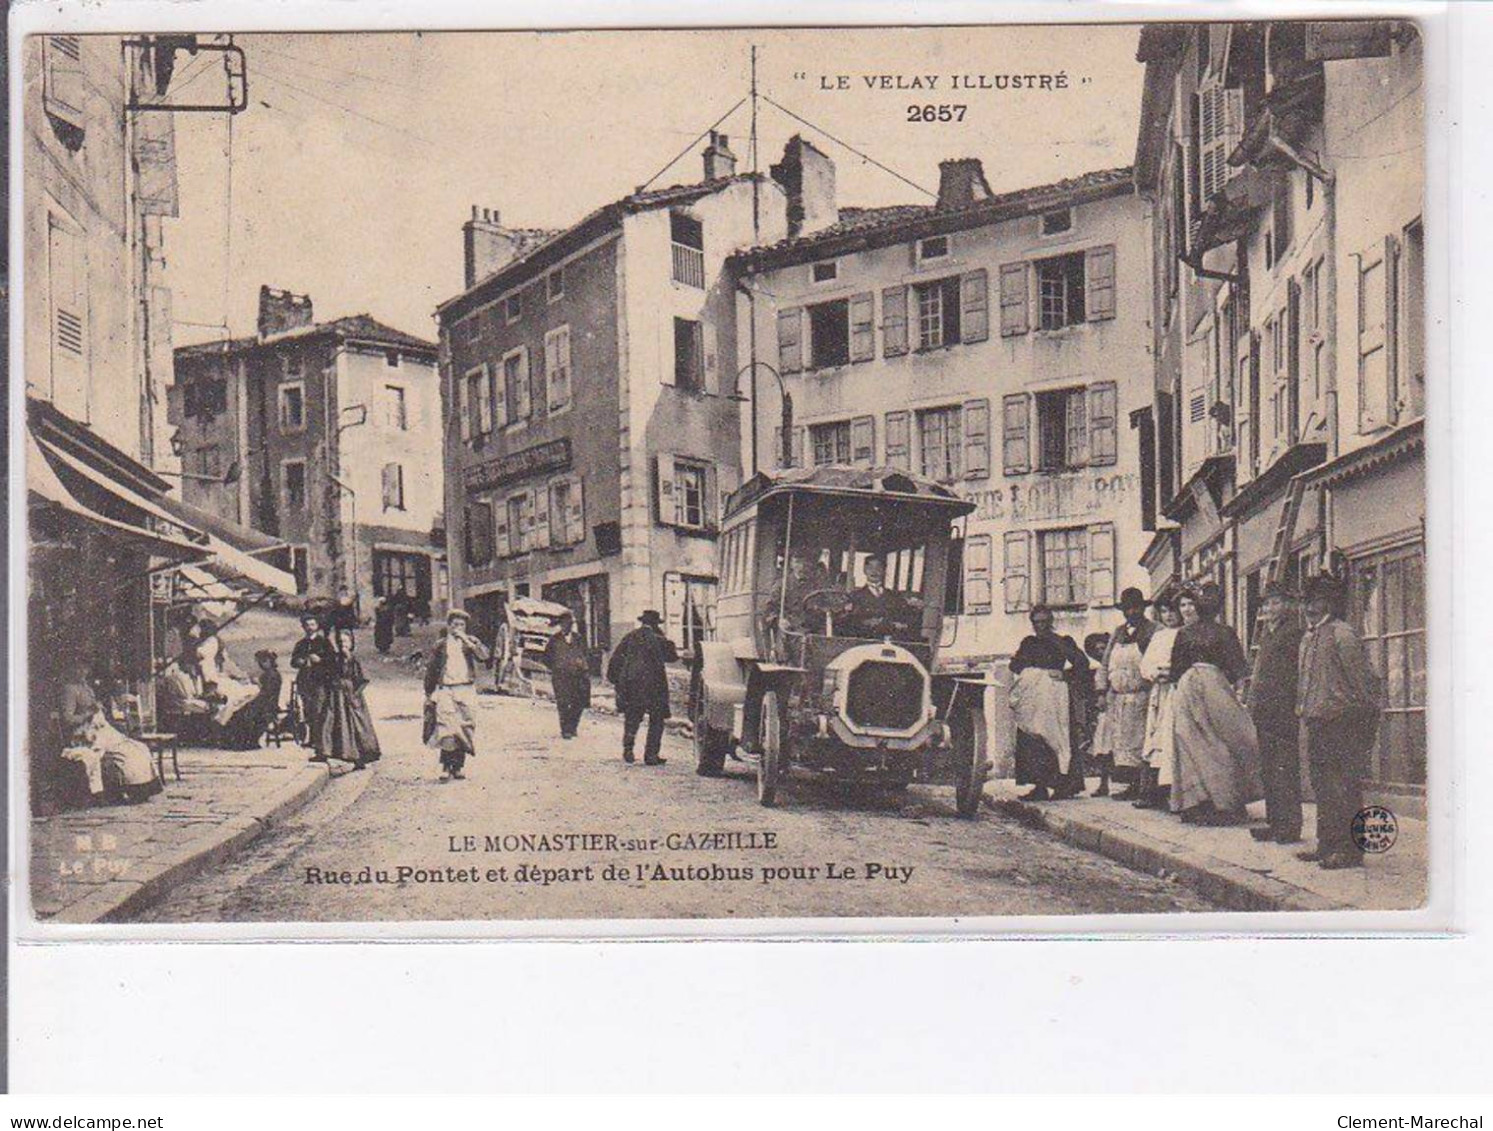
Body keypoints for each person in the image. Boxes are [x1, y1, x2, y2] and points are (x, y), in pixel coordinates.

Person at [1296, 575, 1383, 870]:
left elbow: (1363, 683)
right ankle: (1327, 844)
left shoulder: (1342, 635)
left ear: (1329, 603)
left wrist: (1357, 720)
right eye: (1306, 601)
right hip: (1317, 721)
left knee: (1345, 787)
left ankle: (1349, 851)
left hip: (1342, 722)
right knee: (1323, 788)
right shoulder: (1309, 637)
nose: (1309, 607)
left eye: (1316, 601)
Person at [1169, 583, 1263, 826]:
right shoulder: (1199, 633)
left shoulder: (1210, 633)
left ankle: (1214, 801)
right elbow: (1235, 668)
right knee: (1205, 741)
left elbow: (1177, 670)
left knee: (1209, 741)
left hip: (1202, 687)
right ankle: (1210, 801)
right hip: (1203, 687)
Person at [1008, 605, 1090, 801]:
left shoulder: (1062, 641)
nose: (1041, 626)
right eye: (1037, 622)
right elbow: (1015, 665)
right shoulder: (1028, 643)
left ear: (1051, 622)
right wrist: (1030, 672)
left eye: (1045, 622)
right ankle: (1039, 786)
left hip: (1055, 697)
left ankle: (1064, 785)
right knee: (1033, 739)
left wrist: (1064, 674)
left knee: (1058, 739)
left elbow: (1082, 663)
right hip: (1034, 696)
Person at [1246, 582, 1306, 844]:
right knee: (1269, 769)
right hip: (1265, 709)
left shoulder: (1294, 632)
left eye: (1276, 602)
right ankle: (1274, 822)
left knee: (1284, 768)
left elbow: (1296, 673)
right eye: (1268, 603)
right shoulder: (1268, 633)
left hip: (1283, 708)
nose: (1271, 608)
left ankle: (1289, 826)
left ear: (1288, 605)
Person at [57, 661, 162, 806]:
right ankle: (123, 789)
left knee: (138, 748)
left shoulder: (86, 687)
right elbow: (67, 719)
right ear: (71, 669)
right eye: (79, 668)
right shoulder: (69, 689)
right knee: (123, 753)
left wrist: (99, 710)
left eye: (85, 668)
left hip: (100, 728)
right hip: (84, 733)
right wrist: (88, 713)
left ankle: (140, 789)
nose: (83, 672)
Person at [1091, 588, 1156, 799]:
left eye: (1135, 607)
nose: (1131, 612)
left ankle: (1145, 787)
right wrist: (1102, 691)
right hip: (1118, 697)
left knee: (1142, 742)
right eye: (1127, 608)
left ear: (1142, 608)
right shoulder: (1118, 632)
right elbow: (1106, 662)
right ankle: (1131, 785)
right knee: (1121, 743)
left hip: (1143, 695)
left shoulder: (1153, 630)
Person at [424, 608, 490, 780]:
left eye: (462, 625)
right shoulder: (440, 645)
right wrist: (429, 692)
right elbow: (431, 670)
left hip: (466, 689)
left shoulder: (471, 642)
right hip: (447, 689)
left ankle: (458, 766)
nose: (458, 628)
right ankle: (446, 767)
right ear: (449, 626)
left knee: (465, 727)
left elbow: (484, 657)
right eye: (455, 625)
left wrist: (469, 643)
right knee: (447, 728)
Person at [606, 610, 679, 765]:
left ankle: (628, 749)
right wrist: (664, 637)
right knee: (657, 719)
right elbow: (672, 656)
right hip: (654, 685)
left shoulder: (630, 637)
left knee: (632, 717)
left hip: (632, 685)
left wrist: (616, 680)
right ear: (655, 624)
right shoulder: (659, 639)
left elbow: (616, 658)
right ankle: (651, 755)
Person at [1136, 594, 1184, 809]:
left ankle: (1178, 791)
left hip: (1179, 690)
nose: (1169, 616)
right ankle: (1155, 792)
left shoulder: (1185, 634)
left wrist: (1173, 672)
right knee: (1157, 739)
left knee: (1174, 737)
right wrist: (1155, 673)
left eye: (1173, 611)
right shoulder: (1159, 637)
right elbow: (1145, 665)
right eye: (1164, 612)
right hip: (1161, 692)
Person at [318, 630, 382, 769]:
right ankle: (329, 752)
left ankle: (360, 756)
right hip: (335, 694)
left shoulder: (354, 660)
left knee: (356, 724)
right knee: (332, 720)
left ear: (351, 643)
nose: (342, 645)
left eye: (345, 642)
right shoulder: (335, 658)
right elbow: (327, 673)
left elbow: (362, 679)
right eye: (340, 642)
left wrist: (354, 694)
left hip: (350, 694)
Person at [846, 555, 920, 640]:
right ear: (864, 570)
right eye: (870, 567)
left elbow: (905, 618)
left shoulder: (894, 596)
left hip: (889, 642)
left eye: (878, 567)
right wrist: (866, 623)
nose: (874, 571)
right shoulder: (854, 596)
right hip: (862, 641)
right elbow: (849, 623)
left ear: (884, 570)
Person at [222, 650, 285, 750]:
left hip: (268, 705)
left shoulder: (271, 675)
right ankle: (246, 741)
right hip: (267, 703)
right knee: (242, 710)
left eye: (263, 661)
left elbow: (266, 693)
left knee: (243, 713)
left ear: (269, 661)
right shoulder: (271, 673)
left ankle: (246, 741)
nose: (261, 664)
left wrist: (256, 685)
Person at [290, 615, 336, 750]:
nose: (310, 628)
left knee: (319, 710)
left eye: (312, 624)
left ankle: (321, 740)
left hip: (319, 681)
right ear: (303, 627)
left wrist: (320, 660)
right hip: (305, 681)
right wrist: (299, 661)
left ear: (317, 626)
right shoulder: (300, 644)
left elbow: (332, 661)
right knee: (308, 710)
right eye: (307, 625)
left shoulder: (324, 642)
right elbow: (293, 662)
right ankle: (311, 739)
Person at [545, 611, 592, 740]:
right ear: (560, 625)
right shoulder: (554, 640)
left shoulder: (579, 638)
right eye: (565, 623)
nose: (567, 626)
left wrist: (582, 666)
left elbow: (585, 653)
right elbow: (547, 657)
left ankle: (573, 727)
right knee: (563, 702)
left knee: (578, 702)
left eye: (570, 624)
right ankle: (565, 730)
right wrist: (556, 667)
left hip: (577, 676)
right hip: (560, 676)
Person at [157, 658, 215, 744]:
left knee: (204, 706)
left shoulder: (186, 677)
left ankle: (198, 734)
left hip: (180, 700)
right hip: (179, 701)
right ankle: (199, 735)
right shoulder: (179, 677)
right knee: (205, 707)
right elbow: (186, 694)